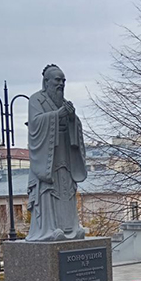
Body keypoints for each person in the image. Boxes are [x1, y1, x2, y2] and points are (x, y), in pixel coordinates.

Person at [26, 64, 87, 241]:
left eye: (63, 81)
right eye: (57, 80)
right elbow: (35, 125)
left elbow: (76, 126)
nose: (61, 84)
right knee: (49, 192)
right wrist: (57, 115)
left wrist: (71, 118)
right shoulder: (36, 100)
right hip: (47, 159)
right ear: (46, 82)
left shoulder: (64, 102)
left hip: (65, 156)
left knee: (67, 190)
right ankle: (49, 229)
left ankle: (72, 228)